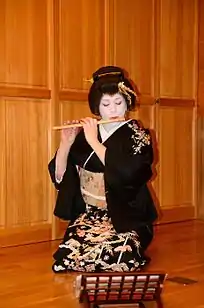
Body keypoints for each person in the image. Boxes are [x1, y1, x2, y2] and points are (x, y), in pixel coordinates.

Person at [48, 65, 158, 273]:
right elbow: (61, 176)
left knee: (120, 254)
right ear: (97, 108)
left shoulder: (138, 135)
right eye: (106, 104)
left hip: (127, 215)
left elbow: (129, 173)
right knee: (68, 256)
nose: (113, 109)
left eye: (119, 102)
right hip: (91, 215)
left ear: (128, 103)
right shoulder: (87, 133)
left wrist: (93, 141)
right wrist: (66, 143)